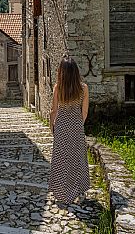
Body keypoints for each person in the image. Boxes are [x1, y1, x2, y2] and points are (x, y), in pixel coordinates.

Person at [48, 55, 90, 206]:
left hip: (61, 127)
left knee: (61, 159)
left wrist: (51, 125)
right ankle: (77, 188)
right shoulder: (83, 88)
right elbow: (84, 112)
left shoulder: (58, 88)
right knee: (77, 158)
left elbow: (54, 110)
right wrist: (78, 124)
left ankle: (61, 191)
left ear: (62, 72)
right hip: (76, 127)